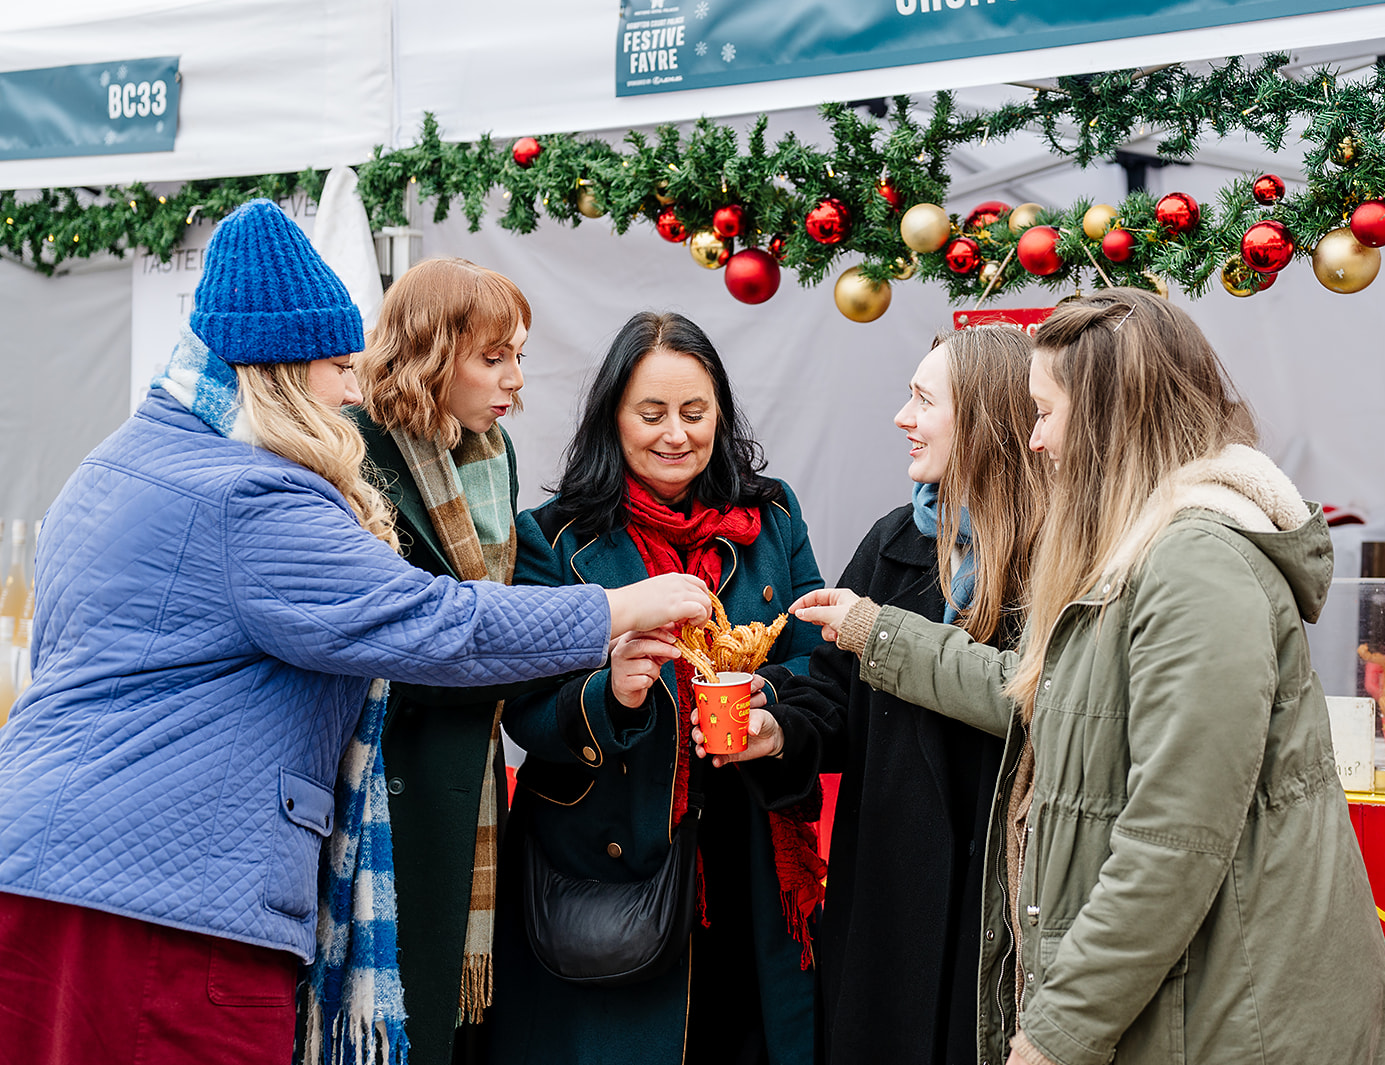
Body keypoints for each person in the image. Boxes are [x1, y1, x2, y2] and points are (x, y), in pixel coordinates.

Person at [0, 201, 710, 1065]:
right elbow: (428, 620)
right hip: (168, 901)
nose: (350, 390)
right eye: (338, 366)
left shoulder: (108, 465)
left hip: (37, 868)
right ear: (279, 372)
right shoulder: (250, 493)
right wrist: (616, 608)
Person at [794, 289, 1385, 1065]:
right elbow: (1037, 695)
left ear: (1110, 419)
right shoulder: (1137, 551)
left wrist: (1055, 1034)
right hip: (1186, 1006)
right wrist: (876, 632)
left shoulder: (1195, 567)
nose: (1033, 439)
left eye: (1044, 413)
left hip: (1227, 1020)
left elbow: (1172, 841)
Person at [487, 311, 826, 1065]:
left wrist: (770, 712)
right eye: (652, 413)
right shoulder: (555, 539)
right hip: (608, 869)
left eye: (695, 412)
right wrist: (613, 696)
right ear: (614, 418)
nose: (676, 433)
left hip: (750, 863)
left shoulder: (771, 518)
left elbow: (818, 670)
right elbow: (526, 715)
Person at [776, 326, 1048, 1065]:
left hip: (999, 908)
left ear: (988, 420)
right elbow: (831, 699)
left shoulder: (1061, 558)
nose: (903, 417)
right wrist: (776, 729)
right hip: (889, 903)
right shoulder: (894, 540)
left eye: (925, 400)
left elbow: (1039, 709)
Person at [352, 257, 536, 1063]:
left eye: (519, 356)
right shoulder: (353, 449)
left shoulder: (494, 454)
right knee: (392, 1010)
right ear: (429, 351)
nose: (514, 381)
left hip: (474, 761)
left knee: (453, 1026)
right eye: (493, 358)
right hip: (382, 764)